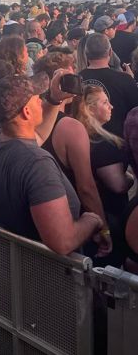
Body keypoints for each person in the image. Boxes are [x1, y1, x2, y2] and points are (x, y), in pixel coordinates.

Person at [0, 75, 106, 256]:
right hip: (45, 274)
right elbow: (62, 241)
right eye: (36, 98)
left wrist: (54, 101)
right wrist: (92, 220)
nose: (41, 100)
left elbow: (36, 137)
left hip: (10, 260)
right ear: (26, 112)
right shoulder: (37, 164)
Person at [70, 85, 132, 264]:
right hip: (109, 217)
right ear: (90, 109)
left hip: (91, 218)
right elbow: (117, 184)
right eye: (105, 103)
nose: (111, 106)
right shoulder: (102, 144)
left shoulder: (80, 137)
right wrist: (130, 178)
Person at [80, 33, 138, 138]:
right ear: (110, 52)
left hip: (84, 140)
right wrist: (131, 81)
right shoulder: (125, 79)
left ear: (86, 53)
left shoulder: (77, 79)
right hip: (118, 143)